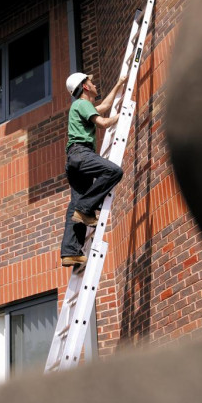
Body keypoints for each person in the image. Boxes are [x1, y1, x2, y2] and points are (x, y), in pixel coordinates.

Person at [60, 72, 127, 267]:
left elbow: (104, 107)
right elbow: (104, 122)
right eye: (91, 82)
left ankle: (70, 252)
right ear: (86, 87)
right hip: (81, 154)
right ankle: (86, 209)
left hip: (74, 160)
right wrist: (122, 115)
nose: (95, 84)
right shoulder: (81, 104)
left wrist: (119, 83)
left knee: (75, 204)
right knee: (114, 172)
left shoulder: (81, 106)